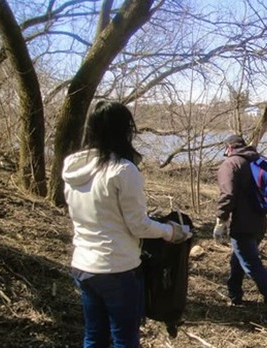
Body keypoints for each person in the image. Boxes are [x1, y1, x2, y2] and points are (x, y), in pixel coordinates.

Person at [62, 101, 192, 347]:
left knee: (94, 335)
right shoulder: (122, 169)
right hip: (117, 269)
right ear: (123, 130)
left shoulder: (73, 169)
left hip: (83, 266)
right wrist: (171, 232)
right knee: (125, 338)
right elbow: (139, 226)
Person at [213, 134, 267, 324]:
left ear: (229, 148)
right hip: (259, 223)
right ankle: (234, 293)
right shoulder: (256, 160)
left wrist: (220, 220)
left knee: (251, 264)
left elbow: (228, 194)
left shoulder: (230, 164)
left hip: (243, 224)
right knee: (238, 257)